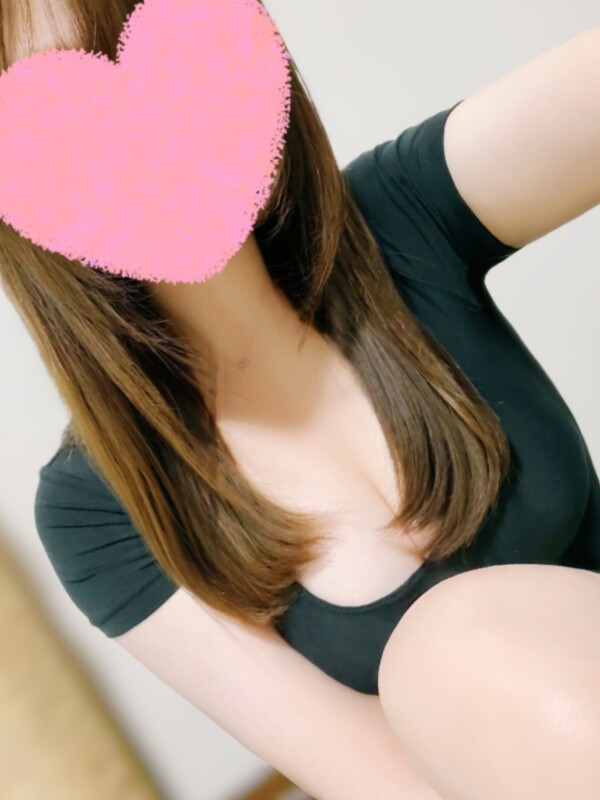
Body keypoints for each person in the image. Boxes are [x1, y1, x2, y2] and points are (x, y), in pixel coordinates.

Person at [3, 2, 599, 798]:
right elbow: (385, 785)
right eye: (66, 118)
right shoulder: (101, 507)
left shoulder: (401, 218)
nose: (145, 135)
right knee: (444, 651)